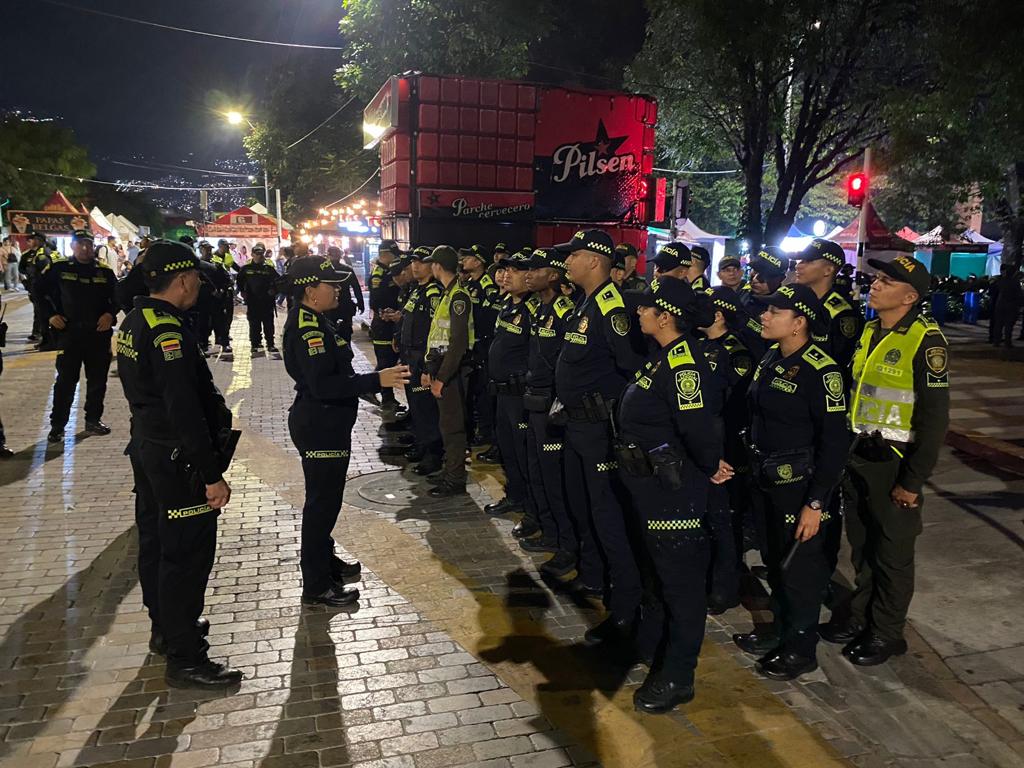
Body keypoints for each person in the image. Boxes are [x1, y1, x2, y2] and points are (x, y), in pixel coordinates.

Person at [117, 240, 241, 688]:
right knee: (186, 556)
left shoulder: (136, 318)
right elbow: (184, 409)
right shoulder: (166, 330)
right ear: (184, 279)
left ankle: (168, 630)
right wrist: (211, 475)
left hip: (149, 450)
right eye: (195, 281)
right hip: (176, 458)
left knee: (156, 544)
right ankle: (186, 657)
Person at [821, 256, 950, 666]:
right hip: (860, 455)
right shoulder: (872, 329)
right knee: (862, 547)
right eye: (876, 278)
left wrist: (912, 481)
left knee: (892, 554)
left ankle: (887, 633)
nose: (875, 285)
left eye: (887, 282)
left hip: (894, 464)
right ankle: (861, 618)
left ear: (910, 297)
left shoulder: (925, 340)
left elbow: (933, 421)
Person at [618, 277, 731, 712]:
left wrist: (708, 466)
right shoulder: (661, 357)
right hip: (651, 487)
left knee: (681, 586)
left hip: (675, 493)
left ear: (665, 317)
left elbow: (698, 428)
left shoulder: (684, 365)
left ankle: (679, 675)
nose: (638, 313)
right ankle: (654, 648)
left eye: (645, 308)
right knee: (657, 577)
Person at [732, 283, 850, 680]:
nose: (764, 316)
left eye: (774, 313)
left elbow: (835, 445)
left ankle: (801, 649)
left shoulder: (823, 371)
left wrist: (816, 502)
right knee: (774, 562)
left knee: (800, 571)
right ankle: (780, 631)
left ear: (799, 322)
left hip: (800, 487)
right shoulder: (771, 356)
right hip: (766, 480)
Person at [283, 257, 409, 607]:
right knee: (321, 507)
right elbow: (324, 384)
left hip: (325, 422)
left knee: (325, 502)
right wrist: (375, 380)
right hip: (321, 424)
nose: (337, 289)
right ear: (310, 290)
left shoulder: (315, 319)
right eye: (330, 285)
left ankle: (326, 563)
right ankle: (317, 585)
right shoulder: (308, 329)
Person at [554, 229, 646, 631]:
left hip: (599, 429)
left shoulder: (612, 308)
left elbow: (631, 368)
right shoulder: (583, 304)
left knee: (608, 515)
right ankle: (592, 575)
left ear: (594, 260)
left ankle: (625, 604)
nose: (567, 261)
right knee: (583, 507)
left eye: (573, 255)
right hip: (576, 425)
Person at [698, 286, 755, 614]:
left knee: (724, 520)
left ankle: (725, 586)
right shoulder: (704, 344)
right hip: (709, 443)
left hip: (726, 448)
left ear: (718, 315)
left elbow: (734, 407)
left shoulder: (736, 352)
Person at [521, 248, 576, 575]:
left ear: (553, 275)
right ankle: (546, 526)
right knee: (536, 470)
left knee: (554, 478)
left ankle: (562, 541)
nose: (529, 273)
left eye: (535, 269)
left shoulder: (565, 311)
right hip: (533, 401)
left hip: (551, 407)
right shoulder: (538, 309)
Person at [39, 230, 117, 443]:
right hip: (70, 334)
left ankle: (93, 420)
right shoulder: (59, 268)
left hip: (98, 335)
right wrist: (50, 315)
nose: (85, 248)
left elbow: (117, 297)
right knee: (65, 382)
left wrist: (110, 314)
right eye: (80, 244)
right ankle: (57, 426)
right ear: (72, 246)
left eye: (88, 244)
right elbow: (38, 292)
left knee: (97, 381)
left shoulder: (104, 272)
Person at [483, 249, 538, 521]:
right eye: (504, 270)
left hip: (520, 395)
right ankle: (514, 495)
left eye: (513, 271)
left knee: (523, 452)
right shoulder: (508, 304)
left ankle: (531, 507)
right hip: (502, 393)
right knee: (507, 450)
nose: (505, 275)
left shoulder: (533, 308)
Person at [422, 246, 475, 497]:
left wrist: (442, 378)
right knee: (446, 425)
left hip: (453, 371)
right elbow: (438, 337)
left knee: (453, 428)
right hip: (443, 368)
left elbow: (458, 342)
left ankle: (455, 479)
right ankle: (449, 470)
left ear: (437, 266)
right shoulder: (449, 293)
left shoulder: (458, 297)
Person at [397, 248, 444, 474]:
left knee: (426, 408)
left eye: (422, 262)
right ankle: (421, 442)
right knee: (415, 404)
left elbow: (435, 331)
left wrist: (428, 364)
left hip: (422, 356)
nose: (416, 266)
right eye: (414, 262)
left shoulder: (434, 292)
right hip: (410, 355)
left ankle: (433, 454)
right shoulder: (417, 290)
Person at [794, 238, 862, 371]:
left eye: (807, 261)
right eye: (800, 260)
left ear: (828, 270)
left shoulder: (842, 314)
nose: (798, 265)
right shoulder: (796, 301)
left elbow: (839, 364)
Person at [460, 245, 501, 448]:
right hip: (471, 346)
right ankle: (477, 428)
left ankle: (486, 432)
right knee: (473, 391)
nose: (463, 261)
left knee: (483, 392)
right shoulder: (469, 284)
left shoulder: (487, 285)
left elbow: (486, 318)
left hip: (482, 345)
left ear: (478, 262)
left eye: (467, 257)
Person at [369, 240, 404, 414]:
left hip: (391, 322)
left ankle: (381, 393)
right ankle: (386, 397)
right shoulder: (379, 274)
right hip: (383, 324)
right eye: (394, 254)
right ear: (385, 254)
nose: (396, 256)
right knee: (385, 361)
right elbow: (376, 300)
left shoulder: (389, 271)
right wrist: (384, 312)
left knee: (389, 359)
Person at [236, 242, 280, 353]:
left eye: (261, 253)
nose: (259, 256)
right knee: (254, 324)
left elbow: (279, 281)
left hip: (267, 301)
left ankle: (270, 344)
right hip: (253, 301)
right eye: (257, 253)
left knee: (268, 324)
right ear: (252, 254)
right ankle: (255, 344)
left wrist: (274, 291)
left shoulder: (269, 269)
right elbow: (239, 281)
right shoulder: (246, 268)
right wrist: (242, 291)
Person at [325, 245, 364, 342]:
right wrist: (360, 303)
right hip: (344, 305)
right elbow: (356, 288)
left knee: (329, 333)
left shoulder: (323, 270)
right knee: (345, 333)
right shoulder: (347, 269)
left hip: (328, 305)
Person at [20, 231, 52, 343]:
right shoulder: (27, 255)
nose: (30, 241)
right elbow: (22, 269)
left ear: (39, 240)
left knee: (43, 311)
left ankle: (43, 335)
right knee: (38, 310)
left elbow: (46, 270)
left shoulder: (45, 253)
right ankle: (39, 333)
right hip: (34, 286)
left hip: (44, 287)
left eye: (33, 239)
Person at [991, 264, 1022, 347]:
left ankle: (996, 341)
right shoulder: (1014, 282)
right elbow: (1019, 294)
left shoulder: (999, 280)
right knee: (1008, 325)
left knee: (999, 324)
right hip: (1011, 305)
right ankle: (1007, 342)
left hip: (1000, 304)